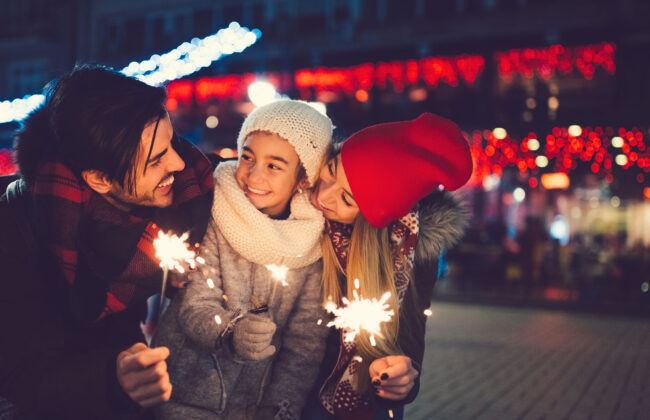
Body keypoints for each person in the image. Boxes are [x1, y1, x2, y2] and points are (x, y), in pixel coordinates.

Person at [0, 65, 214, 419]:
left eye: (171, 143)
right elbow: (21, 377)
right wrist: (113, 378)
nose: (178, 162)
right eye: (156, 160)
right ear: (99, 180)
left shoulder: (185, 188)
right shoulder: (14, 236)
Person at [153, 100, 333, 420]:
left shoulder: (312, 244)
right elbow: (194, 305)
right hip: (184, 398)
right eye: (247, 156)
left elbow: (304, 346)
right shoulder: (215, 212)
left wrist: (281, 409)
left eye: (274, 165)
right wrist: (230, 332)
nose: (252, 174)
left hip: (255, 409)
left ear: (304, 178)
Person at [303, 113, 473, 419]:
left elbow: (408, 338)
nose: (322, 195)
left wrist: (403, 377)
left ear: (373, 218)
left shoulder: (410, 251)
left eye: (347, 198)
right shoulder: (296, 204)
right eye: (331, 170)